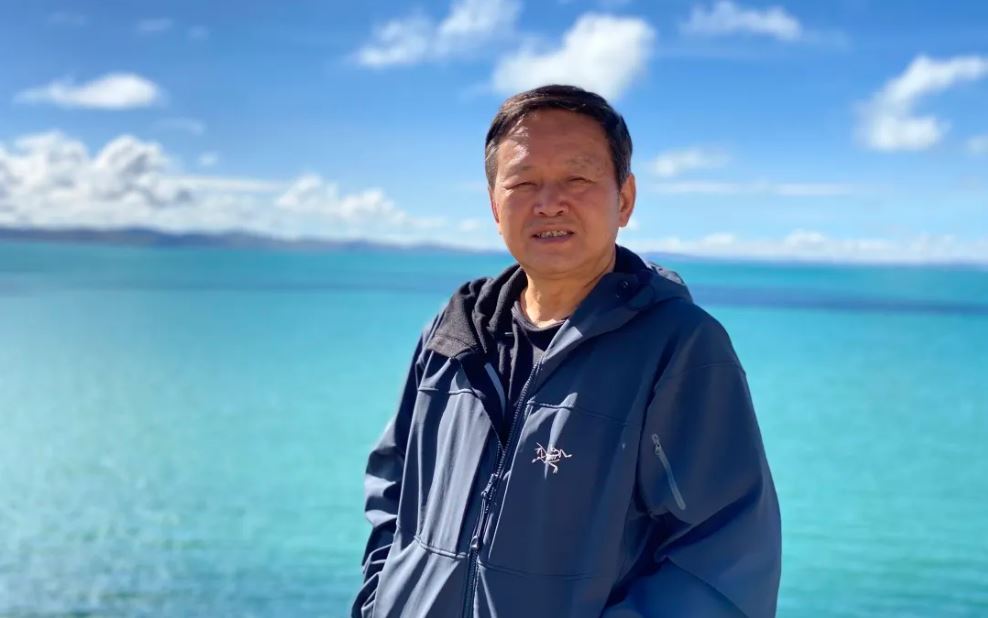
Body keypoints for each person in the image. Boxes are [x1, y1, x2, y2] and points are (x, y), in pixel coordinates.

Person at [350, 84, 781, 618]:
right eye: (523, 182)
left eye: (577, 179)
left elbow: (723, 560)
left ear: (624, 199)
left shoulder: (677, 346)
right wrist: (379, 601)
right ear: (494, 205)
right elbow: (393, 488)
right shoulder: (455, 334)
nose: (549, 202)